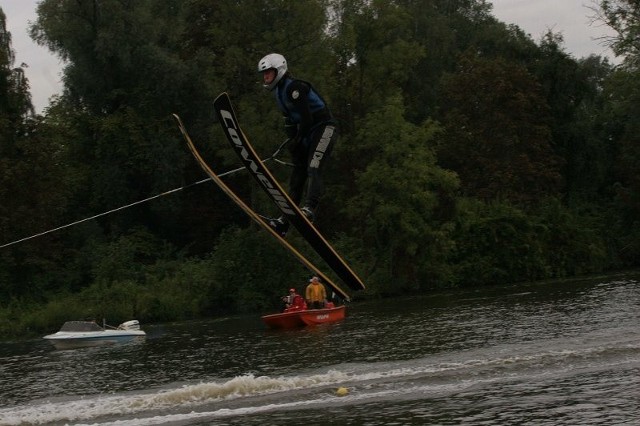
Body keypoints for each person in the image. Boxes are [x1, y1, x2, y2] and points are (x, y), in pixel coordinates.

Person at [257, 53, 338, 236]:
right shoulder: (278, 94)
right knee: (297, 177)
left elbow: (307, 119)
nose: (265, 77)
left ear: (278, 70)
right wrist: (293, 142)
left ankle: (309, 208)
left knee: (313, 167)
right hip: (308, 133)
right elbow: (290, 124)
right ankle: (283, 222)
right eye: (264, 74)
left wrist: (297, 139)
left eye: (268, 72)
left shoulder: (295, 88)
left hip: (324, 128)